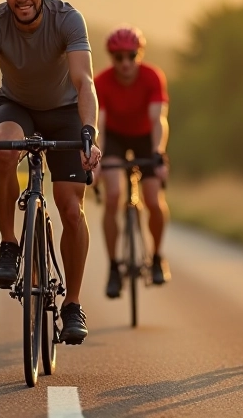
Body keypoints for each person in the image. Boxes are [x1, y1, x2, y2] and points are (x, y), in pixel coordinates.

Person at [0, 0, 101, 345]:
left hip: (65, 110)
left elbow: (84, 81)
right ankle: (9, 244)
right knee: (4, 146)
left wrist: (88, 131)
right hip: (18, 106)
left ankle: (72, 303)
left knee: (71, 209)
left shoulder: (67, 19)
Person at [94, 25, 172, 298]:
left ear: (139, 54)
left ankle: (158, 256)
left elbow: (158, 119)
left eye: (131, 55)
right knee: (113, 194)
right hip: (114, 137)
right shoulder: (101, 81)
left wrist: (158, 154)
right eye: (118, 57)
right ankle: (114, 267)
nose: (125, 63)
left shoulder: (152, 76)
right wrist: (97, 158)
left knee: (153, 200)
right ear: (111, 58)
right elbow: (99, 124)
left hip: (144, 137)